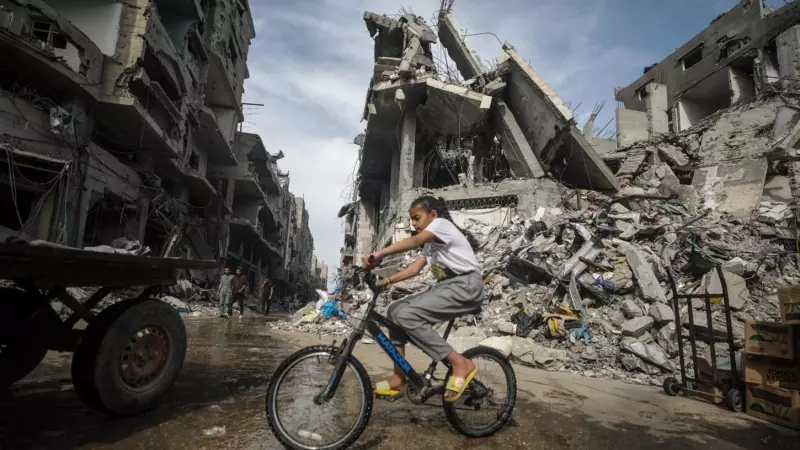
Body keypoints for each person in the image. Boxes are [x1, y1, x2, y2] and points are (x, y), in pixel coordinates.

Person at [362, 195, 483, 402]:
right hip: (449, 287)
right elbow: (415, 269)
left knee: (408, 315)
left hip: (467, 285)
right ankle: (399, 378)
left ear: (432, 215)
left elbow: (415, 240)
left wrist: (380, 253)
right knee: (393, 311)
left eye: (417, 218)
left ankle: (460, 363)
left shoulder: (441, 225)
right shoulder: (431, 243)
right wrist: (386, 281)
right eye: (412, 220)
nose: (414, 224)